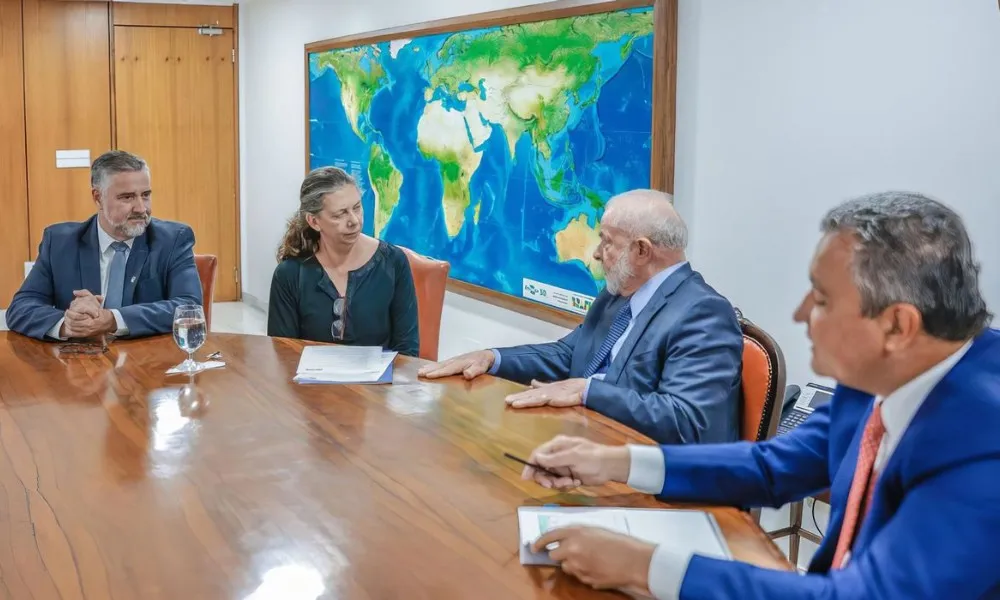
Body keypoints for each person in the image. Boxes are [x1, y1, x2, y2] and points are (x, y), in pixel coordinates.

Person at [520, 191, 1000, 599]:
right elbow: (773, 467)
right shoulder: (882, 373)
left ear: (897, 325)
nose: (799, 313)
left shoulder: (983, 441)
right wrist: (618, 464)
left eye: (822, 299)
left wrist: (647, 567)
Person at [419, 189, 742, 445]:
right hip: (588, 443)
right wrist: (492, 357)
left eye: (607, 241)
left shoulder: (702, 314)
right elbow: (569, 353)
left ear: (642, 251)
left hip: (653, 475)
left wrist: (589, 391)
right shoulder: (618, 295)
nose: (597, 253)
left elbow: (687, 420)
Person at [6, 150, 202, 341]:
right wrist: (68, 324)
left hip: (147, 363)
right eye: (127, 197)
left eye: (146, 195)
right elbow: (21, 308)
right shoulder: (59, 242)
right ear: (97, 197)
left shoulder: (173, 239)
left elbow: (190, 307)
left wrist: (113, 320)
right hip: (78, 365)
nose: (141, 208)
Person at [267, 166, 419, 357]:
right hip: (311, 385)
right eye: (340, 214)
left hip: (380, 384)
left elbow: (408, 351)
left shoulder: (393, 262)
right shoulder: (289, 274)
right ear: (314, 222)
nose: (354, 221)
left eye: (357, 207)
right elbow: (283, 354)